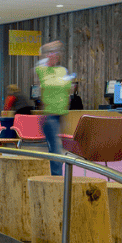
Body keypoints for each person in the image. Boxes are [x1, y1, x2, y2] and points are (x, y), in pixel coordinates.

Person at [36, 41, 72, 176]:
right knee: (56, 149)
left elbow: (67, 89)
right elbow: (41, 57)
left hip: (61, 114)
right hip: (49, 115)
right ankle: (58, 179)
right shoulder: (42, 69)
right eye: (50, 53)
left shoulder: (62, 70)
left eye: (56, 52)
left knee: (54, 149)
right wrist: (49, 48)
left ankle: (54, 177)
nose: (54, 55)